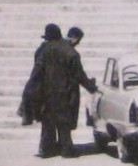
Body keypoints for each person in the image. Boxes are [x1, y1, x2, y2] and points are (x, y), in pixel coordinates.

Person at [24, 22, 94, 158]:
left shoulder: (43, 49)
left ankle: (46, 149)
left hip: (46, 92)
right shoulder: (72, 53)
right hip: (65, 93)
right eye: (78, 40)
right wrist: (91, 87)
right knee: (64, 122)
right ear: (74, 38)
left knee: (47, 122)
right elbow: (79, 75)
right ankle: (66, 149)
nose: (78, 43)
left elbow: (37, 69)